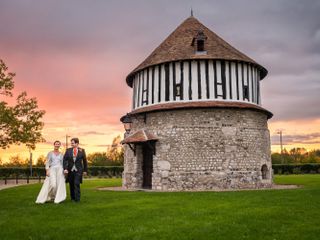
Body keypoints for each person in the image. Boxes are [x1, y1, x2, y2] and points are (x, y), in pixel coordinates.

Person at [63, 137, 88, 202]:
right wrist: (65, 168)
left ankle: (77, 199)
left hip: (79, 170)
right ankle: (72, 198)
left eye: (73, 143)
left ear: (77, 143)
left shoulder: (82, 150)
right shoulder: (68, 150)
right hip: (70, 170)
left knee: (76, 183)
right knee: (71, 184)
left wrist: (85, 170)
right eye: (71, 143)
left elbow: (85, 161)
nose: (71, 144)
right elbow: (65, 160)